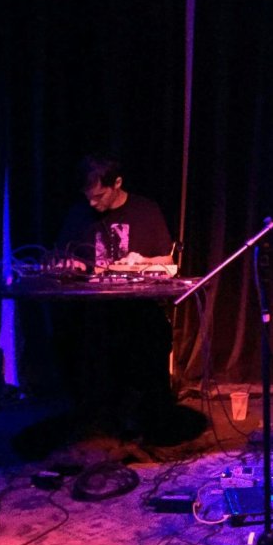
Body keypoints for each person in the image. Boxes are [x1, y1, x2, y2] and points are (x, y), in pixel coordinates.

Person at [53, 152, 177, 442]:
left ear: (117, 183)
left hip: (136, 309)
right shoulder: (79, 214)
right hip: (90, 312)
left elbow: (168, 262)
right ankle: (95, 421)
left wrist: (141, 261)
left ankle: (143, 419)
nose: (92, 203)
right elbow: (59, 257)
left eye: (99, 196)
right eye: (88, 197)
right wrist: (70, 265)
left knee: (149, 336)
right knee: (76, 338)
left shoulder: (146, 210)